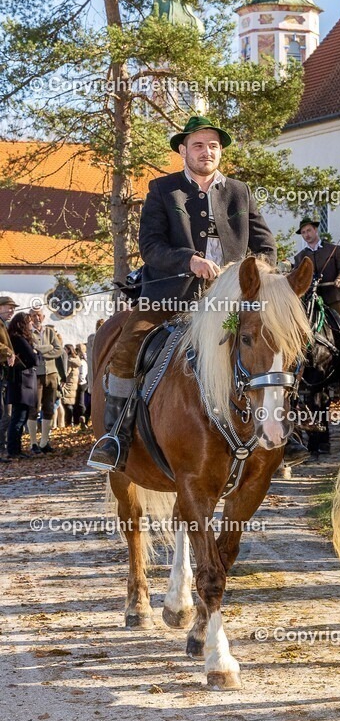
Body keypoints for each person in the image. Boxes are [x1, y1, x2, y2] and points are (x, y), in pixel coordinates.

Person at [88, 115, 277, 472]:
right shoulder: (163, 190)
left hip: (230, 300)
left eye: (213, 146)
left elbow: (265, 245)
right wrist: (188, 260)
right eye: (198, 145)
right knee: (128, 345)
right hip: (170, 298)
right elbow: (151, 246)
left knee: (277, 342)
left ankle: (280, 430)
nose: (207, 152)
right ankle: (115, 436)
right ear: (183, 150)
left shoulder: (239, 191)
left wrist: (251, 273)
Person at [293, 218, 340, 334]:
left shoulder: (333, 249)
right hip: (310, 301)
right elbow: (296, 278)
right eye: (303, 232)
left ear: (315, 230)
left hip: (333, 298)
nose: (306, 235)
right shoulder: (300, 257)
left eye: (308, 230)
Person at [30, 307, 64, 454]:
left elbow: (59, 350)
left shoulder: (50, 331)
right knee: (34, 408)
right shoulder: (28, 333)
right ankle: (33, 443)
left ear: (43, 317)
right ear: (30, 317)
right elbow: (31, 350)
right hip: (35, 375)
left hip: (51, 374)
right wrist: (48, 347)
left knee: (49, 407)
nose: (37, 318)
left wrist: (40, 350)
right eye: (33, 315)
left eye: (39, 315)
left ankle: (44, 442)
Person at [6, 312, 39, 459]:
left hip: (23, 381)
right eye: (30, 322)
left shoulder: (16, 337)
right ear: (23, 324)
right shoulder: (18, 338)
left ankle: (16, 449)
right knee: (19, 417)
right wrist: (36, 353)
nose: (32, 325)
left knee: (21, 416)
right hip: (22, 382)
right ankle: (14, 450)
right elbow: (34, 359)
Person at [0, 295, 17, 462]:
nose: (12, 310)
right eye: (8, 307)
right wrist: (9, 352)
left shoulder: (4, 325)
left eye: (13, 308)